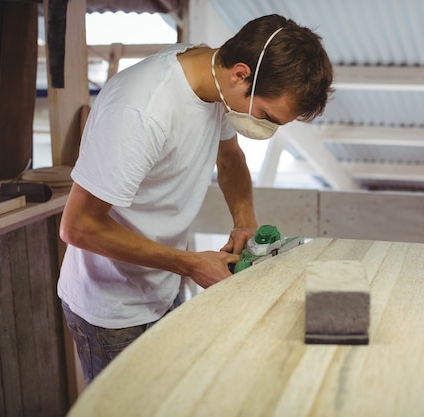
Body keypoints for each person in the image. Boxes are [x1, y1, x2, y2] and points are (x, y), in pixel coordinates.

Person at [58, 14, 334, 384]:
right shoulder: (141, 111)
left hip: (163, 285)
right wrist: (188, 264)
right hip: (111, 308)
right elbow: (78, 227)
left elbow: (230, 159)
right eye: (267, 116)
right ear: (241, 74)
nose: (266, 128)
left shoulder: (213, 83)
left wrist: (244, 219)